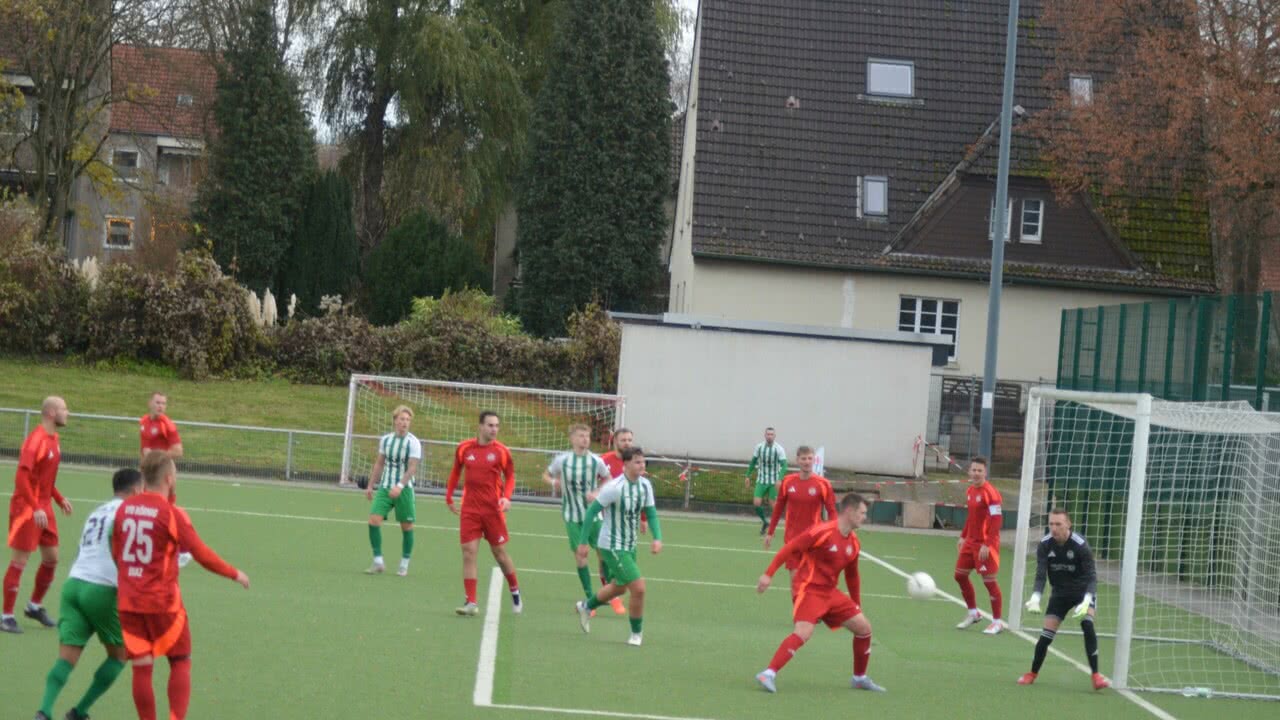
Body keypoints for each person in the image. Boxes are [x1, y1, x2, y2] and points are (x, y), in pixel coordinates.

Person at [112, 451, 249, 720]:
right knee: (180, 661)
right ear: (169, 478)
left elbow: (116, 553)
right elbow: (200, 553)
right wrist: (234, 574)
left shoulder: (124, 508)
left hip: (129, 603)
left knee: (141, 667)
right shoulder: (171, 514)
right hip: (163, 604)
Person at [34, 469, 142, 720]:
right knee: (119, 656)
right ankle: (78, 712)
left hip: (74, 584)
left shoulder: (97, 511)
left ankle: (43, 712)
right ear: (136, 490)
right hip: (102, 589)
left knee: (67, 658)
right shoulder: (129, 513)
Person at [754, 493, 885, 694]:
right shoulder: (822, 531)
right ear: (849, 511)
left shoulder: (854, 542)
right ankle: (769, 673)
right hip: (809, 589)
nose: (864, 517)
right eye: (862, 512)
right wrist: (768, 574)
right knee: (803, 632)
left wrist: (856, 605)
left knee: (864, 628)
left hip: (830, 593)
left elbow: (852, 577)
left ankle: (859, 678)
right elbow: (790, 548)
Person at [573, 446, 663, 646]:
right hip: (611, 544)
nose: (642, 465)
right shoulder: (614, 488)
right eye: (637, 462)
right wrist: (582, 543)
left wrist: (657, 537)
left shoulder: (645, 485)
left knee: (620, 587)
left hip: (630, 544)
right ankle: (636, 634)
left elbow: (651, 512)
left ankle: (586, 606)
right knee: (638, 588)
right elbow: (591, 512)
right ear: (626, 464)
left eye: (643, 461)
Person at [1019, 508, 1110, 691]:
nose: (1054, 528)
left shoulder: (1080, 545)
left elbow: (1092, 577)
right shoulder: (1045, 545)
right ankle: (1032, 673)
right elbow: (1040, 575)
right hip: (1060, 594)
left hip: (1083, 592)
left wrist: (1086, 602)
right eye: (1051, 524)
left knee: (1087, 624)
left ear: (1068, 524)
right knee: (1046, 636)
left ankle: (1096, 675)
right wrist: (1035, 597)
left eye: (1058, 524)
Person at [4, 396, 73, 634]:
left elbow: (43, 478)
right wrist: (35, 507)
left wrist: (59, 498)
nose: (68, 413)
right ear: (52, 413)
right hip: (27, 508)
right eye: (65, 409)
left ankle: (34, 605)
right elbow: (22, 478)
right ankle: (6, 616)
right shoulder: (36, 441)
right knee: (20, 561)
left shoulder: (54, 439)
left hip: (44, 506)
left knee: (52, 558)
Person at [445, 411, 521, 616]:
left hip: (492, 511)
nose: (494, 429)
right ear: (480, 426)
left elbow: (511, 476)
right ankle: (471, 602)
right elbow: (455, 472)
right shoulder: (464, 448)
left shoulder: (502, 451)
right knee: (468, 552)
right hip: (470, 509)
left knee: (500, 554)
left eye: (496, 425)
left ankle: (515, 589)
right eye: (490, 425)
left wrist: (506, 497)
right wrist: (449, 496)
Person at [544, 424, 612, 603]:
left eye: (587, 436)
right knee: (581, 555)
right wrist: (553, 483)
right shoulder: (563, 460)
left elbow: (608, 479)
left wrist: (597, 493)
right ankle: (590, 596)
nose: (585, 439)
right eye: (581, 436)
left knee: (603, 553)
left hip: (594, 515)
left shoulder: (596, 461)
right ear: (572, 439)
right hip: (572, 516)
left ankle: (609, 590)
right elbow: (546, 475)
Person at [764, 445, 836, 599]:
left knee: (813, 582)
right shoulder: (788, 482)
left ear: (814, 460)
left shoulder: (823, 484)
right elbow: (778, 509)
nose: (807, 462)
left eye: (810, 458)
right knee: (796, 583)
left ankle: (810, 613)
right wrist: (770, 532)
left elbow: (832, 513)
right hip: (793, 541)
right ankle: (801, 616)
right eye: (803, 458)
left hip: (815, 542)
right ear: (797, 460)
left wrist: (835, 536)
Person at [364, 405, 422, 577]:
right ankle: (378, 561)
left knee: (407, 526)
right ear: (395, 420)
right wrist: (370, 485)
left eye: (407, 420)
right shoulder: (386, 440)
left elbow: (412, 468)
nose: (404, 423)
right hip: (385, 487)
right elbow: (380, 463)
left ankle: (404, 563)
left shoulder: (413, 442)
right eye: (401, 419)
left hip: (404, 489)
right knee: (373, 520)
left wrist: (400, 486)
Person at [954, 456, 1006, 634]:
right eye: (973, 470)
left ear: (985, 473)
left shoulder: (990, 492)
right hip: (970, 542)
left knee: (989, 582)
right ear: (969, 471)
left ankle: (997, 621)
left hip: (985, 545)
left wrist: (987, 544)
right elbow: (971, 517)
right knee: (959, 575)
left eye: (979, 471)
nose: (976, 473)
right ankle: (973, 613)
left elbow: (997, 519)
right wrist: (963, 536)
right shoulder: (970, 491)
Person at [138, 392, 190, 568]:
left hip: (163, 471)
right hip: (148, 471)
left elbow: (178, 451)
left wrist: (156, 456)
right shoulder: (144, 422)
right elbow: (144, 449)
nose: (161, 406)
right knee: (146, 508)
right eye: (158, 402)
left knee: (168, 510)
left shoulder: (167, 425)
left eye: (164, 403)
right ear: (150, 403)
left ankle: (182, 550)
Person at [597, 428, 637, 613]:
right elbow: (592, 482)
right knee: (603, 556)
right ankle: (611, 595)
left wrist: (643, 518)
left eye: (629, 439)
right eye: (623, 440)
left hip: (625, 521)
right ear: (615, 442)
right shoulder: (604, 460)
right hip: (604, 516)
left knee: (623, 556)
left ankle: (613, 591)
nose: (627, 443)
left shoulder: (635, 462)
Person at [745, 428, 787, 535]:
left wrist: (780, 479)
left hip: (774, 481)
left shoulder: (779, 449)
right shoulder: (759, 447)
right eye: (768, 434)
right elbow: (753, 462)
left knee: (773, 504)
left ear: (774, 436)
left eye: (771, 434)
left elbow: (784, 465)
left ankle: (780, 526)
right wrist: (747, 476)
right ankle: (765, 522)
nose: (769, 436)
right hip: (761, 480)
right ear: (765, 435)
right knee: (756, 503)